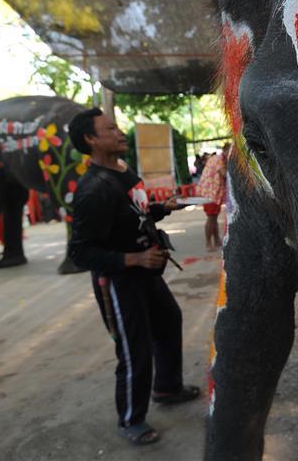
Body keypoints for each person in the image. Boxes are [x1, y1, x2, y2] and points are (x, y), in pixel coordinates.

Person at [66, 108, 199, 446]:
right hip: (119, 280)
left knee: (169, 321)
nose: (120, 132)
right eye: (110, 128)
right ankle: (130, 419)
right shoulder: (93, 189)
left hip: (146, 271)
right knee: (134, 349)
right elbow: (80, 253)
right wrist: (134, 257)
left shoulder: (122, 170)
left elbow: (133, 212)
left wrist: (161, 210)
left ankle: (167, 388)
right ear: (91, 140)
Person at [197, 143, 230, 251]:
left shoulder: (220, 159)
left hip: (213, 193)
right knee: (211, 218)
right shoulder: (219, 160)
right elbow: (225, 174)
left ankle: (216, 240)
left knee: (214, 217)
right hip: (210, 193)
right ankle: (208, 243)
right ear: (225, 150)